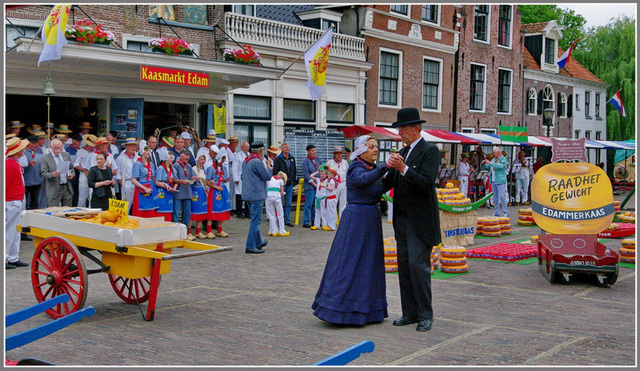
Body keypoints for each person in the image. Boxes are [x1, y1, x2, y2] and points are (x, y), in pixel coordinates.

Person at [312, 135, 389, 325]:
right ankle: (339, 309)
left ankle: (368, 309)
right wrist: (385, 167)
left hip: (370, 220)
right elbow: (363, 181)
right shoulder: (356, 168)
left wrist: (397, 170)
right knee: (350, 262)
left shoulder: (370, 168)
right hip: (356, 220)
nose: (375, 150)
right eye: (371, 147)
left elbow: (381, 186)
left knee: (368, 265)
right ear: (361, 150)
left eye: (376, 146)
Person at [382, 107, 442, 332]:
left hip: (420, 221)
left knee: (419, 266)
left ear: (416, 129)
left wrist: (404, 168)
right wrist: (368, 176)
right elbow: (388, 182)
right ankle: (410, 312)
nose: (400, 133)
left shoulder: (430, 151)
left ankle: (426, 314)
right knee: (405, 266)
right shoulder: (402, 152)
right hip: (403, 220)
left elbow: (426, 183)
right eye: (399, 129)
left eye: (403, 128)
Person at [241, 141, 272, 254]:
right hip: (256, 194)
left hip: (248, 194)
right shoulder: (257, 162)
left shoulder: (246, 160)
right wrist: (268, 166)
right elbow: (268, 176)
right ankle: (250, 245)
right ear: (261, 150)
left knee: (254, 218)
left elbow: (242, 176)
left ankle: (258, 242)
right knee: (256, 221)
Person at [5, 137, 30, 269]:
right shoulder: (10, 164)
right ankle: (5, 257)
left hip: (15, 199)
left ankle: (13, 257)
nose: (24, 150)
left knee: (15, 231)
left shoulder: (13, 162)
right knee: (9, 231)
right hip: (10, 201)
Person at [205, 148, 232, 238]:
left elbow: (224, 179)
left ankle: (219, 230)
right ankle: (208, 231)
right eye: (222, 160)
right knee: (212, 211)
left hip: (222, 190)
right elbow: (207, 181)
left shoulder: (224, 168)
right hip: (215, 191)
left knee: (222, 210)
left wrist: (226, 180)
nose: (222, 162)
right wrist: (216, 186)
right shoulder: (211, 168)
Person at [173, 149, 199, 240]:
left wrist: (194, 178)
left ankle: (186, 232)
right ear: (181, 156)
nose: (187, 157)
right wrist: (181, 181)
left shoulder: (189, 166)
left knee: (187, 213)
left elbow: (193, 177)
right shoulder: (175, 166)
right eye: (186, 155)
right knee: (176, 213)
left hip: (187, 192)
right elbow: (173, 179)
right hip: (178, 192)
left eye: (188, 155)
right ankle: (174, 233)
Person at [41, 139, 75, 207]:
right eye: (55, 148)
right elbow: (44, 174)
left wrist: (72, 175)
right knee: (53, 211)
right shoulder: (45, 158)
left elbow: (71, 168)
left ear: (61, 147)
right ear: (51, 147)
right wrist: (53, 174)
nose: (57, 150)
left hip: (66, 187)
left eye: (59, 148)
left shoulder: (66, 155)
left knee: (68, 210)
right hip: (54, 189)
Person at [272, 142, 296, 227]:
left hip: (290, 184)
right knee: (279, 202)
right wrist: (280, 180)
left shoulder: (292, 158)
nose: (287, 149)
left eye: (288, 147)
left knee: (288, 203)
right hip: (281, 184)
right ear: (281, 149)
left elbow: (294, 171)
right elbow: (275, 172)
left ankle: (287, 219)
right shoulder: (278, 159)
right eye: (285, 147)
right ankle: (278, 219)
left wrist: (292, 180)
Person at [131, 145, 158, 217]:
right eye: (146, 150)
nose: (148, 152)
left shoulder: (151, 164)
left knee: (151, 209)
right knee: (142, 210)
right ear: (142, 152)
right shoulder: (138, 164)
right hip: (141, 188)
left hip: (150, 187)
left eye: (149, 150)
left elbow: (153, 177)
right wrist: (144, 188)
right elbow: (133, 180)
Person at [483, 146, 509, 218]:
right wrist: (484, 164)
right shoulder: (493, 159)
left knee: (502, 197)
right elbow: (488, 167)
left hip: (500, 180)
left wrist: (490, 163)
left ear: (498, 152)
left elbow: (500, 166)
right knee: (495, 197)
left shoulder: (503, 159)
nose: (493, 154)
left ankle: (506, 212)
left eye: (494, 152)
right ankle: (496, 212)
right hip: (493, 180)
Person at [326, 146, 349, 221]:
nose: (339, 155)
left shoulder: (345, 162)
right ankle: (333, 221)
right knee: (333, 202)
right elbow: (324, 172)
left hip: (343, 183)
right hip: (334, 184)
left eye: (340, 153)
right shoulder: (330, 162)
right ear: (334, 154)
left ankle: (342, 220)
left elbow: (348, 173)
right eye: (337, 153)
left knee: (343, 203)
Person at [154, 148, 178, 222]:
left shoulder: (173, 169)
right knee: (161, 211)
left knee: (168, 211)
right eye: (170, 158)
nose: (172, 160)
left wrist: (174, 188)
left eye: (173, 158)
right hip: (162, 192)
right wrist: (165, 185)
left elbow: (176, 180)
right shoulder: (161, 168)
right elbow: (157, 182)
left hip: (169, 192)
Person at [302, 144, 323, 228]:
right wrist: (314, 184)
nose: (314, 152)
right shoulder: (305, 161)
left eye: (314, 150)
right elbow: (306, 174)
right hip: (310, 185)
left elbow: (322, 170)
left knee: (316, 204)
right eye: (312, 150)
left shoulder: (319, 160)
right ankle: (306, 221)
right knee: (309, 204)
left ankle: (315, 221)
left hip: (318, 184)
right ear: (308, 152)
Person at [116, 138, 140, 210]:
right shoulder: (120, 158)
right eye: (131, 146)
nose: (133, 148)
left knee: (137, 204)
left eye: (134, 146)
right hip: (127, 182)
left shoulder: (138, 157)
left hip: (138, 182)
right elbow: (118, 174)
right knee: (126, 206)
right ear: (126, 147)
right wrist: (123, 185)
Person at [74, 134, 97, 207]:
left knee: (91, 196)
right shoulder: (80, 151)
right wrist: (85, 170)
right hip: (83, 175)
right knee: (82, 198)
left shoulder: (96, 152)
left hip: (94, 176)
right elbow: (76, 165)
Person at [190, 154, 209, 239]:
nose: (202, 161)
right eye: (201, 159)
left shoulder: (204, 170)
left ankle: (198, 231)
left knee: (201, 212)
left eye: (204, 160)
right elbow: (190, 180)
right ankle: (188, 232)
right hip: (195, 191)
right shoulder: (193, 169)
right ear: (197, 160)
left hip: (202, 191)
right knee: (193, 212)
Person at [266, 171, 289, 237]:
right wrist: (283, 193)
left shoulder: (269, 178)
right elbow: (282, 193)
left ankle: (273, 231)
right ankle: (282, 231)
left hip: (269, 196)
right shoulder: (280, 180)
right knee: (280, 214)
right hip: (277, 197)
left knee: (271, 215)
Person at [23, 135, 43, 210]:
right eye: (32, 143)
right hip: (26, 180)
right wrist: (28, 164)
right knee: (25, 201)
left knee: (35, 200)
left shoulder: (39, 150)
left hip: (37, 180)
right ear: (27, 143)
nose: (34, 145)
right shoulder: (23, 151)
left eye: (35, 143)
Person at [233, 141, 250, 218]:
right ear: (241, 147)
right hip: (240, 177)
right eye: (244, 146)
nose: (246, 148)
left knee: (247, 195)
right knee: (239, 195)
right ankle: (239, 212)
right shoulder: (238, 156)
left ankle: (247, 212)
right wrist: (236, 178)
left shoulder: (250, 155)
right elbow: (235, 168)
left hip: (248, 178)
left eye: (247, 146)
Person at [309, 165, 328, 231]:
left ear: (326, 174)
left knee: (324, 211)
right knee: (317, 211)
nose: (321, 175)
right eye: (320, 174)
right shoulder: (318, 180)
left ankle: (324, 224)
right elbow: (311, 176)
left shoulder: (327, 180)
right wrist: (317, 171)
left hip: (323, 197)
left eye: (323, 174)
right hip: (318, 197)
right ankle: (316, 225)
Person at [322, 166, 340, 231]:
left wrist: (325, 187)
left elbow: (331, 189)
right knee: (330, 212)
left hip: (331, 198)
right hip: (330, 198)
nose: (328, 175)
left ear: (333, 175)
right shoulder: (332, 180)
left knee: (331, 212)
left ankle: (332, 226)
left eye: (329, 174)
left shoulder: (332, 181)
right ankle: (330, 225)